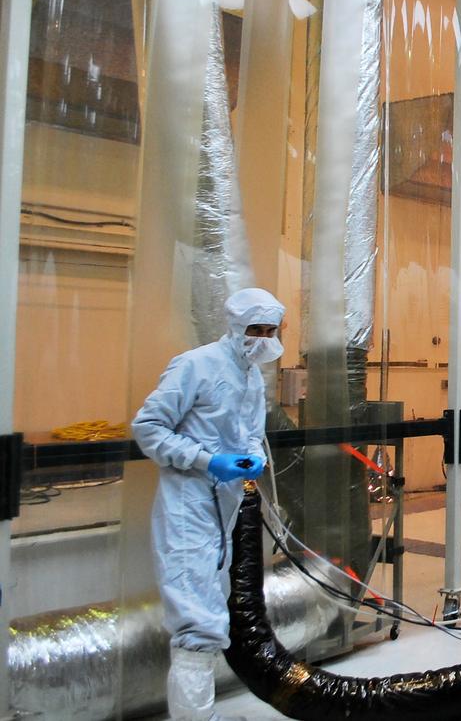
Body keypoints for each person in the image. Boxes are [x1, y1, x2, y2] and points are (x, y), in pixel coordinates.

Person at [132, 288, 285, 721]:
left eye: (271, 330)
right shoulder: (195, 364)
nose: (263, 338)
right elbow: (148, 428)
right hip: (188, 507)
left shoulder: (251, 375)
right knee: (196, 624)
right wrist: (207, 460)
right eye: (255, 329)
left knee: (213, 611)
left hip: (224, 508)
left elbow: (250, 431)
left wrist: (253, 454)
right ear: (235, 327)